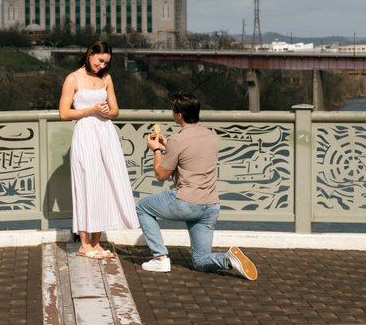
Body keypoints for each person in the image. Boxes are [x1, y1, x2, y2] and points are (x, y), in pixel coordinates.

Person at [137, 91, 258, 279]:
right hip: (210, 206)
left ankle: (160, 258)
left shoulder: (178, 140)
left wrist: (157, 150)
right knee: (201, 261)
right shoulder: (211, 136)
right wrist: (167, 145)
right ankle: (228, 259)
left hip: (187, 203)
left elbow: (161, 175)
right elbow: (190, 155)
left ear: (179, 115)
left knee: (143, 207)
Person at [59, 40, 139, 258]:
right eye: (100, 60)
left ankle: (96, 243)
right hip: (85, 134)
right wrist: (91, 110)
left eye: (106, 63)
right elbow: (64, 113)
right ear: (91, 53)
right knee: (86, 184)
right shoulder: (72, 79)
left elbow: (115, 110)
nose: (102, 66)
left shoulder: (106, 79)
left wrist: (105, 112)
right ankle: (84, 245)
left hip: (106, 133)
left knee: (103, 185)